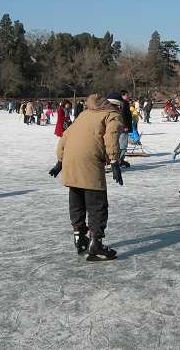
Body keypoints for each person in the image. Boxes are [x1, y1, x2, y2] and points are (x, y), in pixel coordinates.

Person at [49, 93, 124, 260]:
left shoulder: (85, 113)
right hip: (89, 161)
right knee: (97, 203)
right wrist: (114, 161)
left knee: (77, 198)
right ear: (117, 105)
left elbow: (66, 135)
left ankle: (79, 237)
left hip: (70, 159)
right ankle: (95, 244)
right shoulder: (112, 114)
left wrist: (60, 161)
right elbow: (111, 136)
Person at [118, 90, 133, 168]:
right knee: (123, 145)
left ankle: (121, 159)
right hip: (124, 128)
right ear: (123, 96)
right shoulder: (123, 103)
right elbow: (123, 116)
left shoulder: (124, 103)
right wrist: (125, 126)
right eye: (127, 95)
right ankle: (119, 160)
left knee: (123, 144)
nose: (128, 96)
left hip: (124, 127)